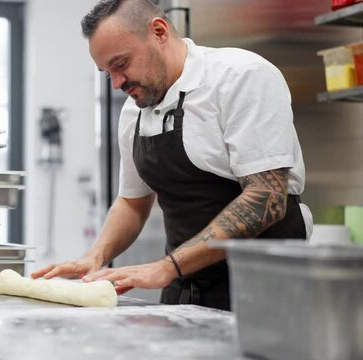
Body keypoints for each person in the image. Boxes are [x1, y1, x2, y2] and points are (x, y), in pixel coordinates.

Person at [31, 0, 312, 311]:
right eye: (106, 72)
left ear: (159, 32)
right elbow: (132, 202)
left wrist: (166, 267)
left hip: (266, 288)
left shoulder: (241, 77)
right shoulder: (133, 113)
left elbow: (265, 198)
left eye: (121, 64)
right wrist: (95, 255)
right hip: (185, 288)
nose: (116, 83)